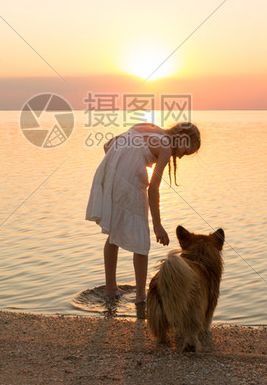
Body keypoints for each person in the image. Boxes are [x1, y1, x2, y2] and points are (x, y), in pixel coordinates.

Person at [85, 121, 201, 306]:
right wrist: (157, 225)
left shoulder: (147, 126)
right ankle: (141, 296)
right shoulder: (165, 147)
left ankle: (110, 289)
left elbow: (108, 146)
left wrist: (124, 162)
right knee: (141, 238)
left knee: (114, 234)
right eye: (185, 151)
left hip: (109, 173)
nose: (181, 157)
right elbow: (153, 189)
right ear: (183, 137)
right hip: (128, 182)